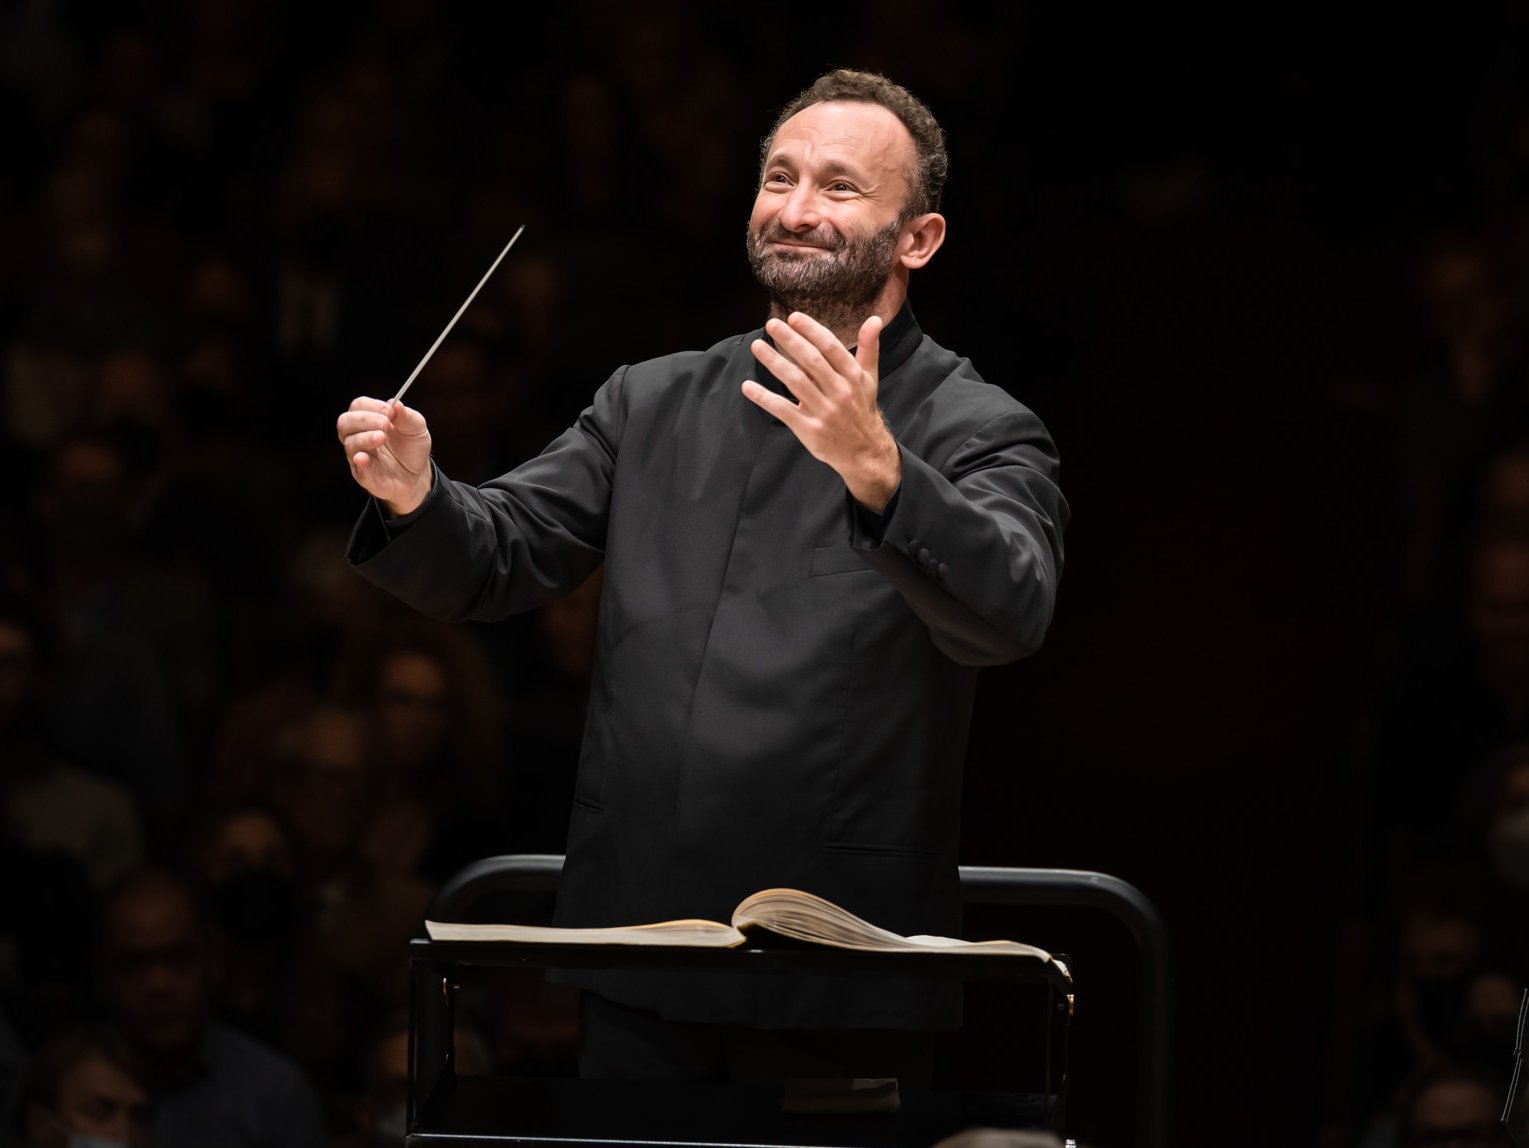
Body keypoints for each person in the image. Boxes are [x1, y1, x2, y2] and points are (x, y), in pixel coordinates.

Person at [338, 68, 1067, 1082]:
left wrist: (882, 472)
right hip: (639, 938)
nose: (797, 208)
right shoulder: (654, 399)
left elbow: (1012, 606)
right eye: (780, 176)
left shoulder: (973, 424)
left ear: (918, 239)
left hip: (837, 962)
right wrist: (418, 492)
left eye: (839, 187)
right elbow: (499, 555)